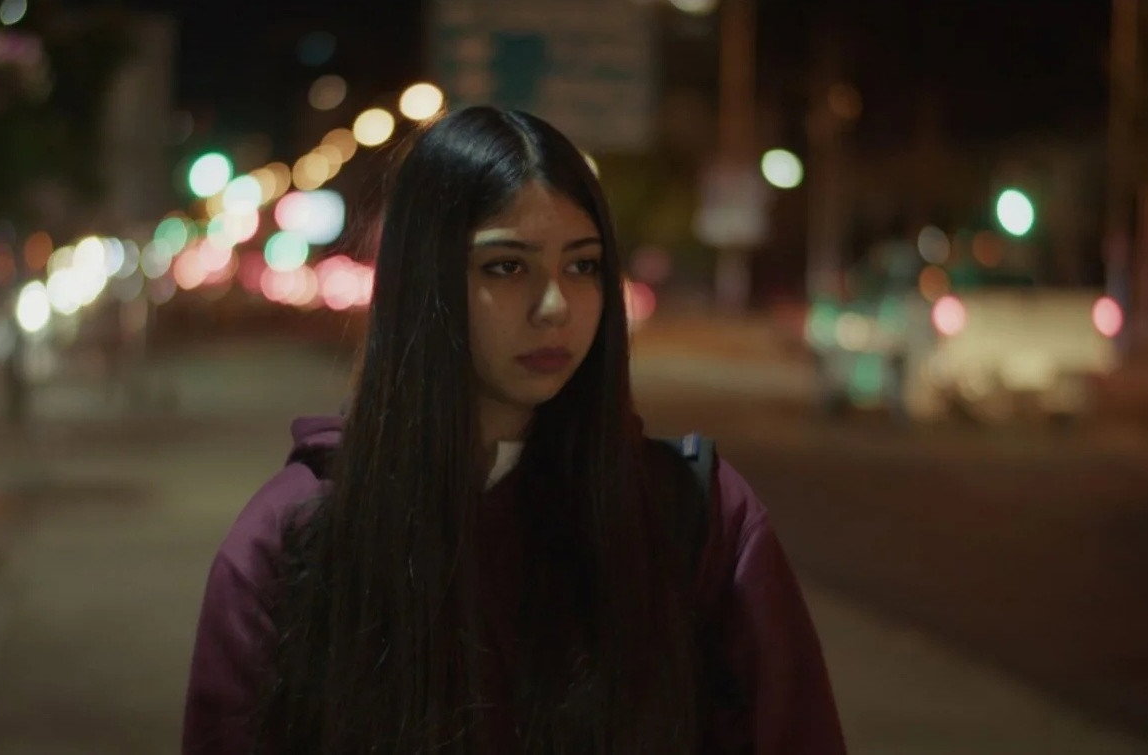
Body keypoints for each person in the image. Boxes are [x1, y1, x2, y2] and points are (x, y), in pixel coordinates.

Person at [183, 106, 845, 754]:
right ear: (423, 278)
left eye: (582, 265)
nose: (554, 305)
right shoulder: (290, 541)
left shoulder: (698, 518)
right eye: (506, 266)